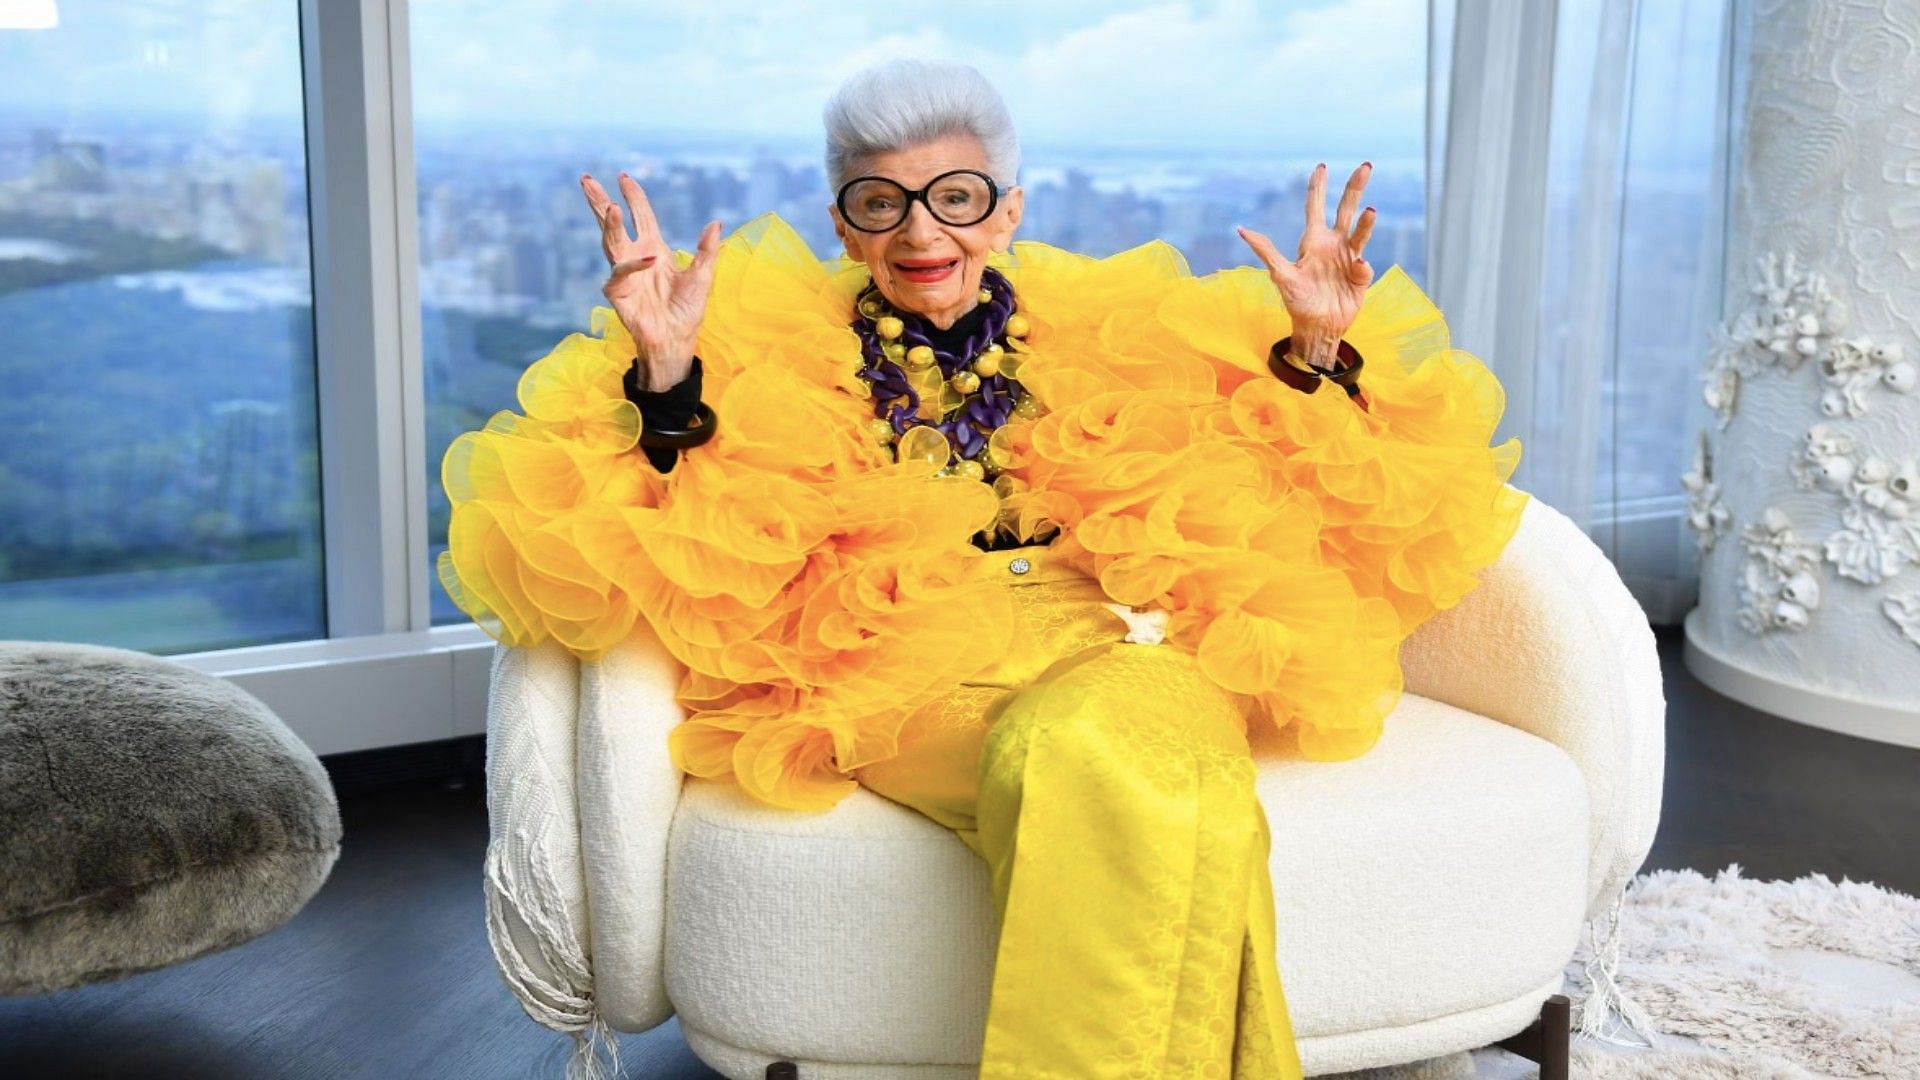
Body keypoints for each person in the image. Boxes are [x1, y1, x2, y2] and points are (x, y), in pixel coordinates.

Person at [440, 58, 1528, 1079]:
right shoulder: (766, 342)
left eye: (955, 197)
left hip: (1123, 638)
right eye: (882, 202)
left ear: (1006, 209)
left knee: (1109, 749)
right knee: (1161, 794)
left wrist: (1320, 350)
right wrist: (670, 373)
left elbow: (1264, 463)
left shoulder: (1109, 326)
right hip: (902, 670)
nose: (922, 231)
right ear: (844, 223)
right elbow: (667, 521)